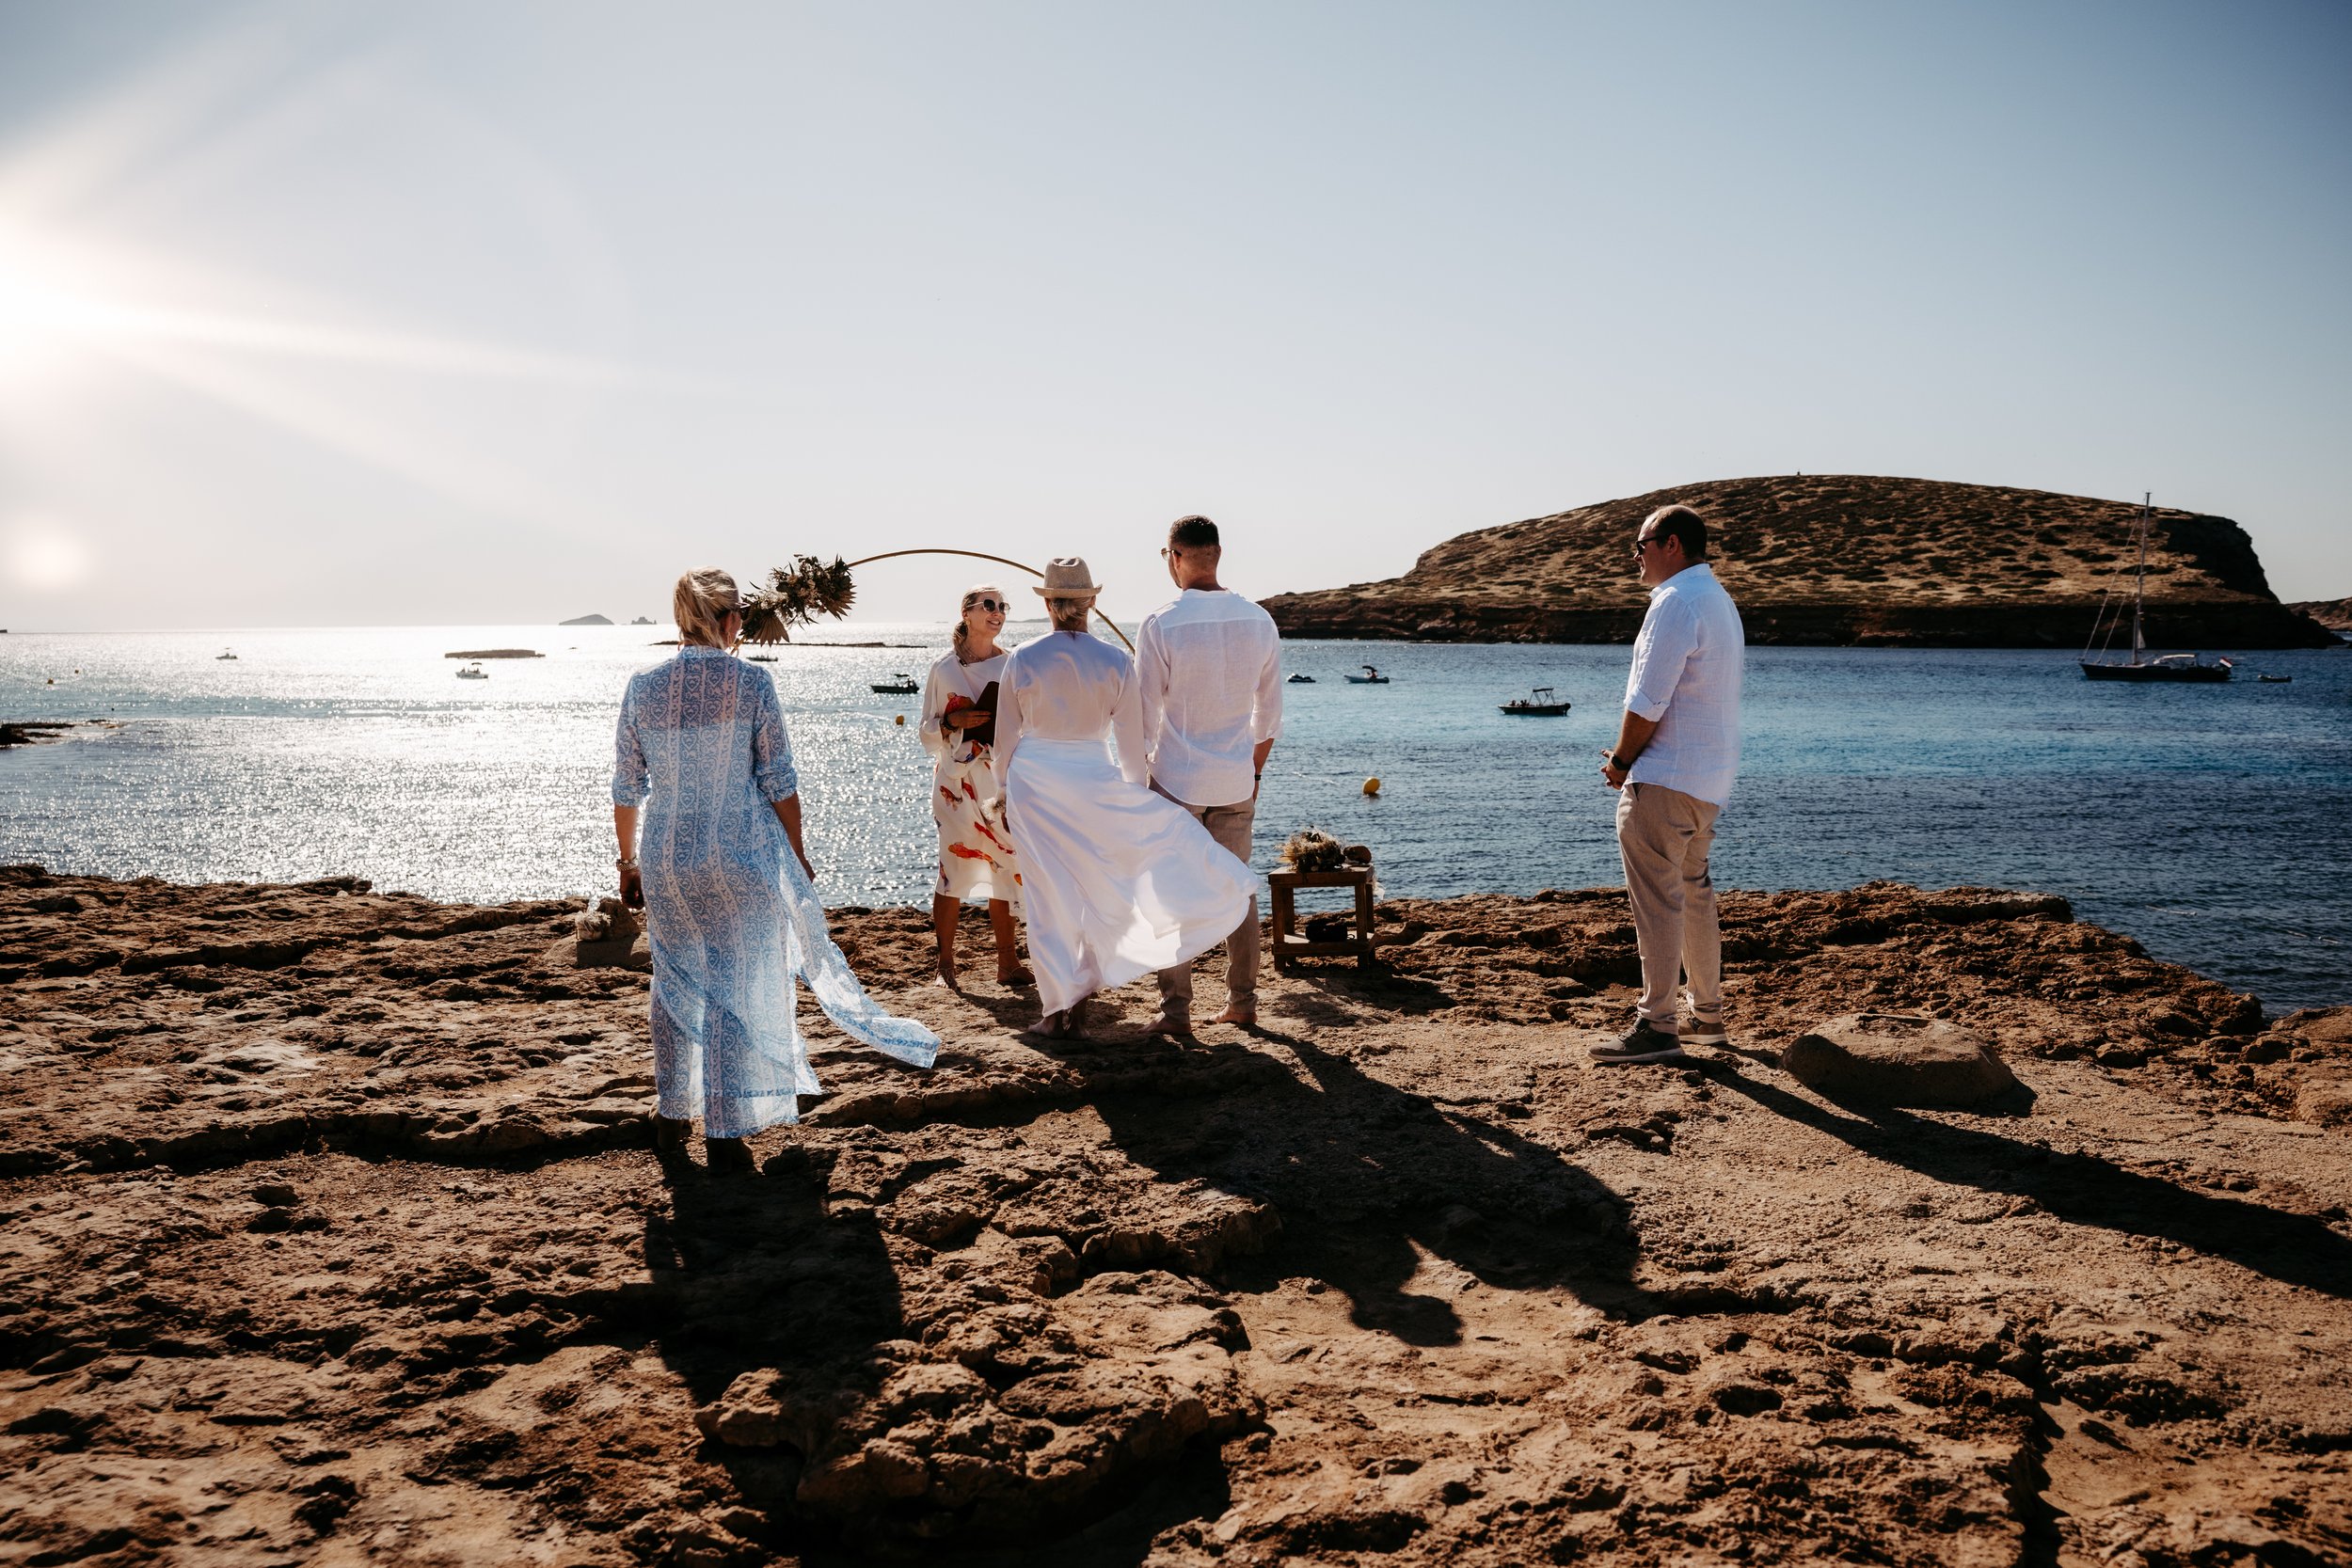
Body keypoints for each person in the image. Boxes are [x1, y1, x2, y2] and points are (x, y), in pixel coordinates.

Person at [612, 568, 941, 1170]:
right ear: (730, 619)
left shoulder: (642, 687)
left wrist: (629, 863)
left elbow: (628, 788)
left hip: (666, 855)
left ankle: (670, 1113)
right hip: (736, 849)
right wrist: (796, 848)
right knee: (736, 981)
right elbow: (779, 782)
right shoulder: (753, 683)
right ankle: (727, 1126)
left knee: (674, 975)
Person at [991, 557, 1255, 1038]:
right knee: (1094, 891)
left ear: (1049, 604)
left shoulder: (1023, 657)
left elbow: (1005, 739)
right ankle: (1081, 1000)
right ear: (1091, 602)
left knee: (1047, 897)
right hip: (1094, 780)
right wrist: (1136, 803)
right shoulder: (1116, 660)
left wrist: (1001, 793)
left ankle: (1054, 1013)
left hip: (1034, 785)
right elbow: (1133, 748)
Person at [1594, 504, 1745, 1065]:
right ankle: (1707, 1017)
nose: (1635, 556)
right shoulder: (1718, 600)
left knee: (1658, 901)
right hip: (1709, 779)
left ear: (1672, 544)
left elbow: (1648, 699)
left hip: (1666, 777)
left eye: (1641, 544)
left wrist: (1622, 761)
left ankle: (1658, 1025)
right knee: (1694, 892)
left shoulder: (1676, 602)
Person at [1135, 515, 1282, 1033]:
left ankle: (1175, 1010)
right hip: (1236, 780)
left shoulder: (1160, 623)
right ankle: (1242, 1001)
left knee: (1171, 892)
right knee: (1237, 889)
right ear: (1217, 554)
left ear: (1175, 557)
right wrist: (1253, 771)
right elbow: (1269, 715)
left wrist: (1142, 780)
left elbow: (1142, 715)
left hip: (1176, 781)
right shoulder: (1259, 620)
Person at [918, 584, 1030, 989]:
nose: (998, 612)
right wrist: (952, 723)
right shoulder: (944, 668)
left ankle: (1008, 963)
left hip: (999, 782)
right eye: (989, 605)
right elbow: (927, 733)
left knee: (1007, 863)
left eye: (1003, 606)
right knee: (952, 869)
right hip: (956, 784)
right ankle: (945, 965)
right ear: (966, 612)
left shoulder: (1014, 664)